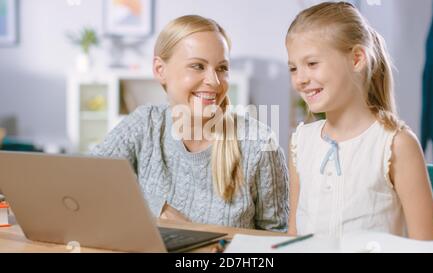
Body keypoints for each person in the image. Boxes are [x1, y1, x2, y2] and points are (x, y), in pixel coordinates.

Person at [91, 15, 289, 232]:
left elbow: (275, 241)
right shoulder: (145, 124)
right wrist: (155, 209)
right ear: (160, 70)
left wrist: (194, 235)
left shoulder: (258, 143)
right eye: (197, 66)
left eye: (222, 68)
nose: (214, 81)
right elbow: (86, 184)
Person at [287, 2, 433, 240]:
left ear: (357, 59)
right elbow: (293, 238)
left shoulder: (395, 144)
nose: (300, 79)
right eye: (293, 68)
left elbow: (426, 246)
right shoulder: (300, 142)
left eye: (312, 64)